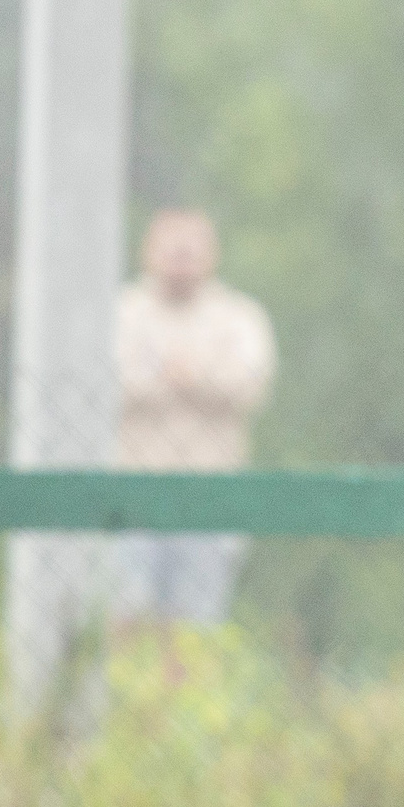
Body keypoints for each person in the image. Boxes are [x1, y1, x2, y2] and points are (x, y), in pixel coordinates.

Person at [111, 208, 276, 624]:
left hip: (210, 492)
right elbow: (103, 380)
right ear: (147, 253)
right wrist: (177, 379)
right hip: (133, 490)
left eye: (190, 252)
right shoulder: (122, 313)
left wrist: (190, 377)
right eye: (171, 252)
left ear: (211, 256)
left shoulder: (238, 317)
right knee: (125, 613)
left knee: (194, 625)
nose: (180, 262)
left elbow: (251, 382)